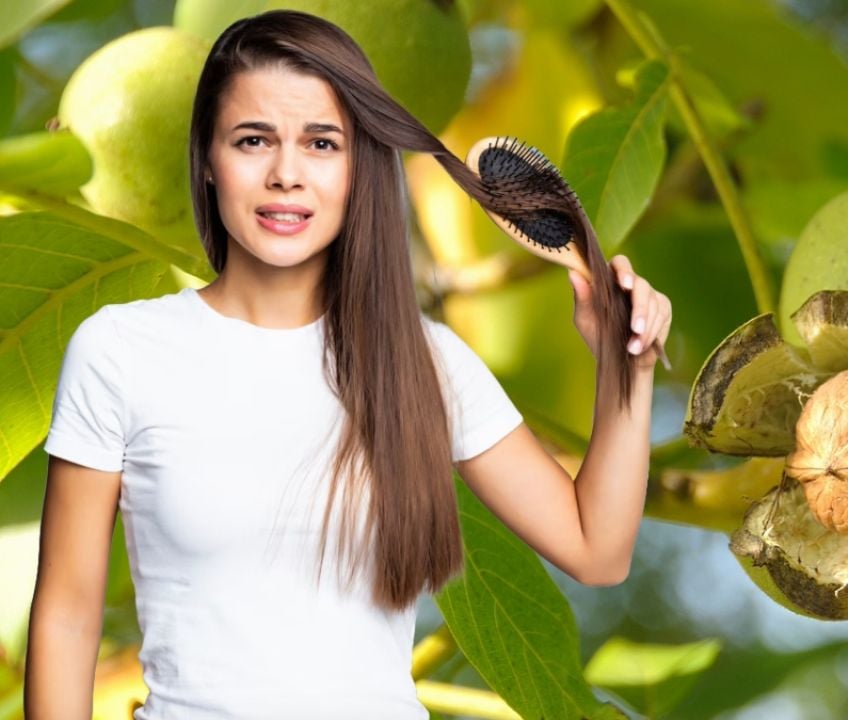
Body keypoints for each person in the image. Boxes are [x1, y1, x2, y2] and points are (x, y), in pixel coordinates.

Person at [24, 9, 671, 719]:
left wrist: (625, 371)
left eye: (322, 143)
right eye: (252, 140)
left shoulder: (421, 359)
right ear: (206, 159)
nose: (286, 175)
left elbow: (597, 550)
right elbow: (66, 613)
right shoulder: (119, 349)